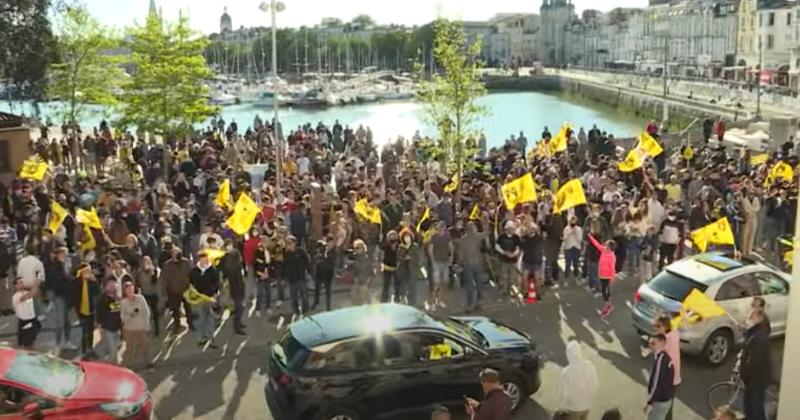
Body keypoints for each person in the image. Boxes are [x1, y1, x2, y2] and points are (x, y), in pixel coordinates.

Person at [741, 296, 772, 420]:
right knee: (750, 405)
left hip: (756, 378)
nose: (751, 311)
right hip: (754, 378)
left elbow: (755, 361)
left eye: (755, 306)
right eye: (752, 305)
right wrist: (747, 331)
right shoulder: (757, 332)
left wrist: (745, 375)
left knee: (755, 407)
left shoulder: (759, 337)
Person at [557, 341, 598, 420]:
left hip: (573, 408)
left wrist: (564, 405)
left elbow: (563, 394)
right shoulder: (590, 365)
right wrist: (590, 398)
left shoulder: (566, 372)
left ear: (568, 355)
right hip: (587, 405)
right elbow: (595, 386)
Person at [69, 262, 100, 359]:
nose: (88, 273)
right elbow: (72, 296)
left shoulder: (92, 282)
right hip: (81, 311)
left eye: (89, 271)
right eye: (86, 271)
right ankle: (84, 351)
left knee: (90, 331)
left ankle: (90, 349)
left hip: (91, 310)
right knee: (84, 331)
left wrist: (95, 281)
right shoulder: (75, 282)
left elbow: (98, 293)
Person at [189, 251, 220, 348]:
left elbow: (216, 282)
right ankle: (203, 337)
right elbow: (191, 284)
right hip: (199, 299)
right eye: (202, 259)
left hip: (209, 298)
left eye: (205, 258)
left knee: (210, 319)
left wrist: (215, 293)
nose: (204, 261)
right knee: (202, 318)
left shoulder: (212, 270)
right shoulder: (194, 271)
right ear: (199, 260)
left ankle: (212, 339)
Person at [120, 281, 153, 369]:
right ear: (125, 292)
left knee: (145, 346)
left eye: (132, 289)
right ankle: (129, 366)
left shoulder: (141, 298)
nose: (131, 291)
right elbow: (122, 317)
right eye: (128, 290)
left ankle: (149, 363)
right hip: (130, 329)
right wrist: (131, 315)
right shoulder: (123, 302)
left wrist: (147, 325)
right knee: (129, 349)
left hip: (141, 327)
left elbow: (147, 312)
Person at [160, 248, 193, 334]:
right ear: (172, 255)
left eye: (178, 253)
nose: (177, 255)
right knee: (175, 310)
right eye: (175, 253)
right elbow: (164, 280)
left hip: (185, 290)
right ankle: (177, 325)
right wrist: (164, 293)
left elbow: (192, 274)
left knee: (188, 308)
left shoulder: (186, 262)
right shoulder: (167, 265)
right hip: (173, 291)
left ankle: (190, 323)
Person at [654, 316, 681, 420]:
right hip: (675, 379)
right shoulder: (675, 334)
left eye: (658, 326)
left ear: (665, 327)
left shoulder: (666, 341)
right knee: (667, 408)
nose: (655, 328)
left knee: (663, 409)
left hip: (668, 380)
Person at [457, 222, 487, 311]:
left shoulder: (463, 240)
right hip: (477, 262)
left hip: (467, 264)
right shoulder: (477, 237)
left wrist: (459, 264)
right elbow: (486, 233)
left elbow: (460, 254)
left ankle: (470, 304)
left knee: (469, 285)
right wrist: (485, 226)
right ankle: (479, 302)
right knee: (479, 283)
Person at [645, 334, 675, 420]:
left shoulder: (661, 360)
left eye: (653, 343)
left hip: (660, 401)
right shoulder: (665, 357)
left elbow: (656, 383)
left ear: (661, 344)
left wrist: (650, 402)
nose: (650, 345)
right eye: (649, 343)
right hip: (666, 398)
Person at [220, 240, 246, 335]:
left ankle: (239, 323)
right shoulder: (235, 268)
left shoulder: (232, 266)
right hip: (237, 290)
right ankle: (237, 326)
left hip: (235, 289)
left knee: (239, 307)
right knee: (240, 308)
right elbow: (237, 281)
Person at [588, 234, 616, 318]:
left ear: (611, 249)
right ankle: (610, 305)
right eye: (605, 246)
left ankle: (607, 307)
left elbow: (612, 268)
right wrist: (590, 237)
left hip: (607, 277)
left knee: (604, 292)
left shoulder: (612, 256)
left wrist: (612, 277)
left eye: (607, 247)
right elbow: (596, 244)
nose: (605, 248)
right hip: (601, 275)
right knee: (606, 291)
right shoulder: (603, 250)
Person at [95, 279, 122, 363]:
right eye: (110, 285)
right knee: (113, 352)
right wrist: (99, 326)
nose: (113, 287)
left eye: (114, 285)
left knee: (115, 351)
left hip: (117, 328)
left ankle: (115, 367)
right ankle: (107, 366)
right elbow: (100, 313)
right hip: (108, 329)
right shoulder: (103, 299)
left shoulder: (116, 297)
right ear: (105, 287)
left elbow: (119, 310)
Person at [428, 221, 453, 308]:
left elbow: (451, 247)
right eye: (440, 227)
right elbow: (430, 249)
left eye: (442, 227)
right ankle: (433, 301)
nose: (441, 229)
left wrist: (451, 258)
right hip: (437, 262)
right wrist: (432, 260)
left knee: (444, 282)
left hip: (445, 261)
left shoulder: (447, 236)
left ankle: (440, 300)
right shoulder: (434, 237)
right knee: (436, 283)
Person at [282, 236, 310, 316]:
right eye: (287, 244)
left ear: (295, 243)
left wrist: (309, 271)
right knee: (293, 297)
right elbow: (284, 266)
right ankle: (296, 310)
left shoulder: (301, 251)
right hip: (292, 279)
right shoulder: (286, 254)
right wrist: (283, 277)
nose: (289, 245)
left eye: (290, 243)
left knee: (304, 295)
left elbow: (307, 262)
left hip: (301, 277)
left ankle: (305, 309)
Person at [494, 221, 521, 297]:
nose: (512, 230)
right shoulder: (501, 237)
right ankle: (504, 290)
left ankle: (512, 290)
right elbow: (497, 246)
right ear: (507, 229)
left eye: (513, 228)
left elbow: (518, 248)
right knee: (504, 276)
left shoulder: (516, 237)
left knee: (512, 276)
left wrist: (513, 254)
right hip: (503, 260)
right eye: (510, 228)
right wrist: (504, 252)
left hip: (513, 260)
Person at [12, 277, 40, 350]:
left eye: (22, 283)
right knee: (27, 345)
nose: (21, 285)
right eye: (19, 284)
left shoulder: (27, 292)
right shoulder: (16, 296)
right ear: (15, 286)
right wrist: (36, 283)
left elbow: (34, 295)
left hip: (33, 320)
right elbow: (28, 296)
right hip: (25, 322)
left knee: (32, 342)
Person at [312, 236, 337, 311]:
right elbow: (316, 257)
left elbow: (331, 263)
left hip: (328, 274)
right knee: (317, 289)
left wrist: (322, 261)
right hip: (319, 272)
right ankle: (316, 302)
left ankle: (328, 307)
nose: (330, 245)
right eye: (329, 243)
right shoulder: (322, 249)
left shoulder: (334, 252)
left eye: (331, 243)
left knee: (328, 291)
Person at [253, 234, 272, 317]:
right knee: (260, 293)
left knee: (268, 292)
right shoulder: (258, 251)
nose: (267, 244)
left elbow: (269, 263)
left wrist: (268, 272)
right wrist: (260, 274)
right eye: (265, 242)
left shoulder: (268, 250)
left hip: (268, 274)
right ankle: (258, 309)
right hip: (260, 275)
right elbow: (256, 265)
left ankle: (268, 306)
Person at [349, 240, 373, 305]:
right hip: (358, 283)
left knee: (367, 300)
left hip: (365, 283)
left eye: (358, 248)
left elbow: (371, 273)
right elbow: (354, 272)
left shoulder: (366, 259)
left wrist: (367, 284)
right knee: (356, 300)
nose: (356, 250)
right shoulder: (355, 258)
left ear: (363, 248)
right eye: (355, 248)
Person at [561, 216, 582, 283]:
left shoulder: (579, 229)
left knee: (576, 264)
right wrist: (569, 233)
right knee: (567, 264)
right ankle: (566, 278)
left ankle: (576, 278)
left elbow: (580, 240)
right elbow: (564, 239)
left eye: (574, 221)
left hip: (576, 248)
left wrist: (575, 234)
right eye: (571, 221)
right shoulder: (566, 229)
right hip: (568, 248)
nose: (573, 222)